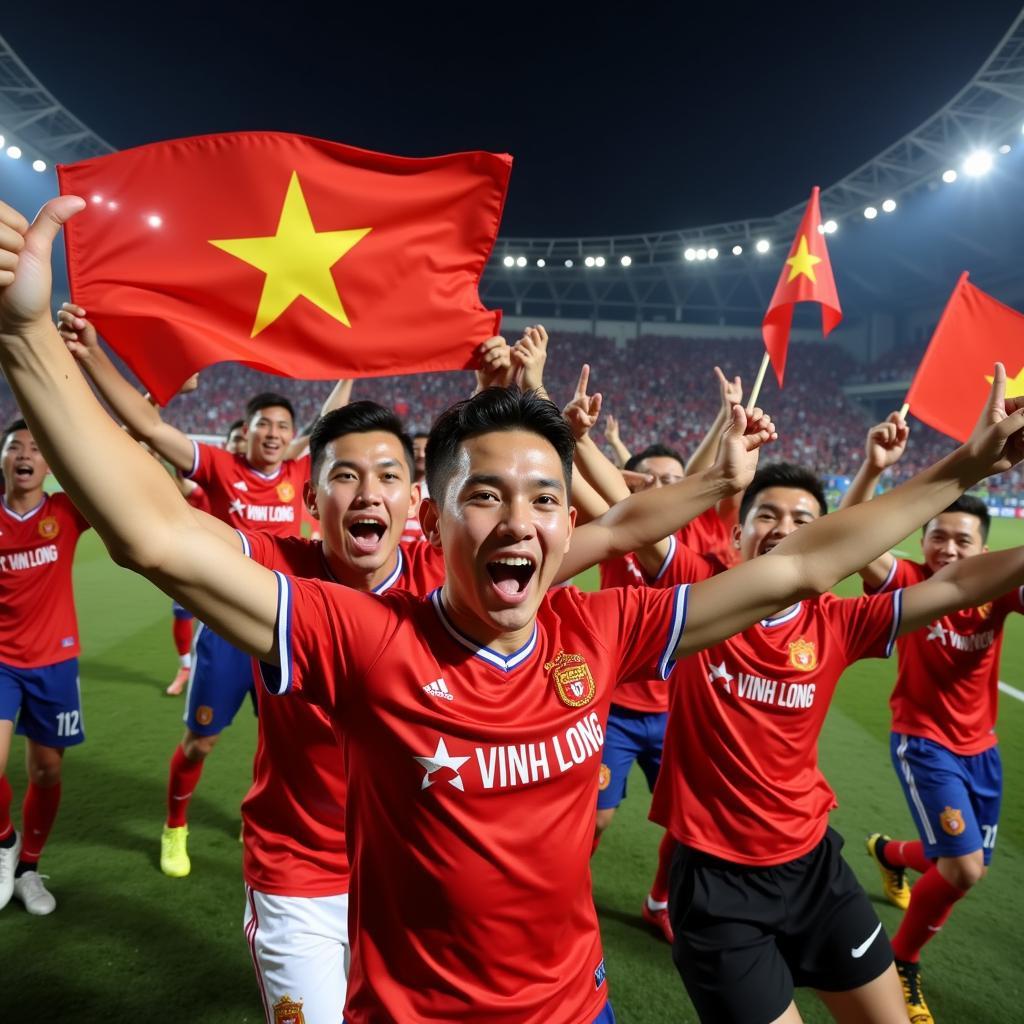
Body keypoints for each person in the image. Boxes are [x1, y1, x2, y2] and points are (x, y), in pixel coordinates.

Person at [5, 195, 1024, 1024]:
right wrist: (26, 337)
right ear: (433, 520)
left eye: (546, 496)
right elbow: (153, 534)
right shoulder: (363, 636)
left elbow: (800, 570)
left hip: (574, 1008)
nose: (526, 520)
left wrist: (962, 467)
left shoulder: (596, 628)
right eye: (486, 494)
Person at [55, 305, 349, 878]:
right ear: (248, 429)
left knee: (289, 748)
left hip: (288, 634)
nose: (274, 433)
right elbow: (150, 430)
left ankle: (262, 815)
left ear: (293, 438)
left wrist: (350, 369)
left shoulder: (298, 473)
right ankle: (175, 826)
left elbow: (330, 417)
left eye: (283, 428)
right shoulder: (216, 465)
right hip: (226, 634)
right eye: (264, 423)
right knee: (201, 742)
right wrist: (91, 355)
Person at [840, 413, 1022, 1024]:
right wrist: (872, 470)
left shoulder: (997, 589)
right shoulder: (911, 582)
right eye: (937, 536)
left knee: (965, 862)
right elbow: (851, 540)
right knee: (964, 867)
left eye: (962, 541)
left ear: (984, 550)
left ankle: (891, 853)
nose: (946, 548)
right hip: (923, 741)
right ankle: (902, 961)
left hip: (982, 747)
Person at [0, 418, 90, 916]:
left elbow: (112, 458)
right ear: (3, 458)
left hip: (55, 661)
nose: (25, 454)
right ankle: (5, 842)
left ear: (49, 464)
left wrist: (151, 399)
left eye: (36, 446)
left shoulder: (65, 511)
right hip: (1, 661)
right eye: (15, 445)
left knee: (46, 771)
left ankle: (29, 867)